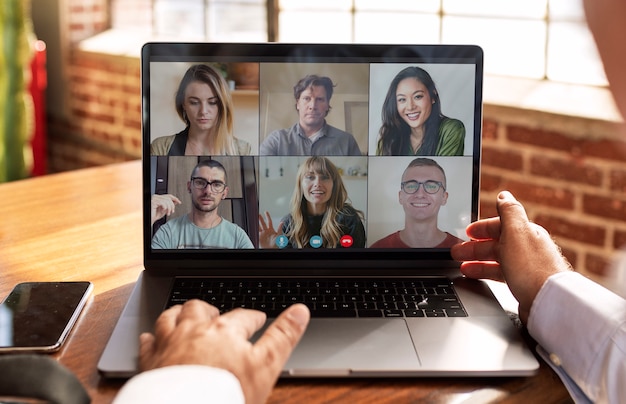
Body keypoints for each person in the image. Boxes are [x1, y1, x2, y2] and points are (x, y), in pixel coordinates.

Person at [258, 156, 366, 248]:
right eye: (310, 177)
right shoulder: (288, 224)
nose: (317, 183)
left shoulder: (349, 219)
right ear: (300, 185)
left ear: (334, 185)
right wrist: (272, 251)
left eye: (324, 177)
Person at [150, 64, 251, 156]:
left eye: (212, 102)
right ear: (183, 103)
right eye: (194, 102)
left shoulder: (242, 149)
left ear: (222, 105)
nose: (203, 111)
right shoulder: (161, 148)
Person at [151, 159, 254, 249]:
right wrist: (148, 219)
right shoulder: (168, 232)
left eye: (216, 184)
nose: (208, 191)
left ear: (224, 193)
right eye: (200, 182)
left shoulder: (238, 237)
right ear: (189, 186)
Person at [370, 158, 463, 248]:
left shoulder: (465, 252)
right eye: (411, 186)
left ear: (444, 197)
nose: (420, 194)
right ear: (400, 196)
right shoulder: (377, 249)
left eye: (431, 186)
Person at [259, 74, 362, 156]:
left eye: (320, 99)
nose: (312, 106)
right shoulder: (276, 140)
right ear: (298, 103)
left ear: (327, 105)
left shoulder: (347, 141)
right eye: (307, 99)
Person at [376, 66, 465, 156]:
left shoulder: (451, 129)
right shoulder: (388, 139)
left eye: (418, 96)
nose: (410, 107)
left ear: (433, 96)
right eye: (402, 99)